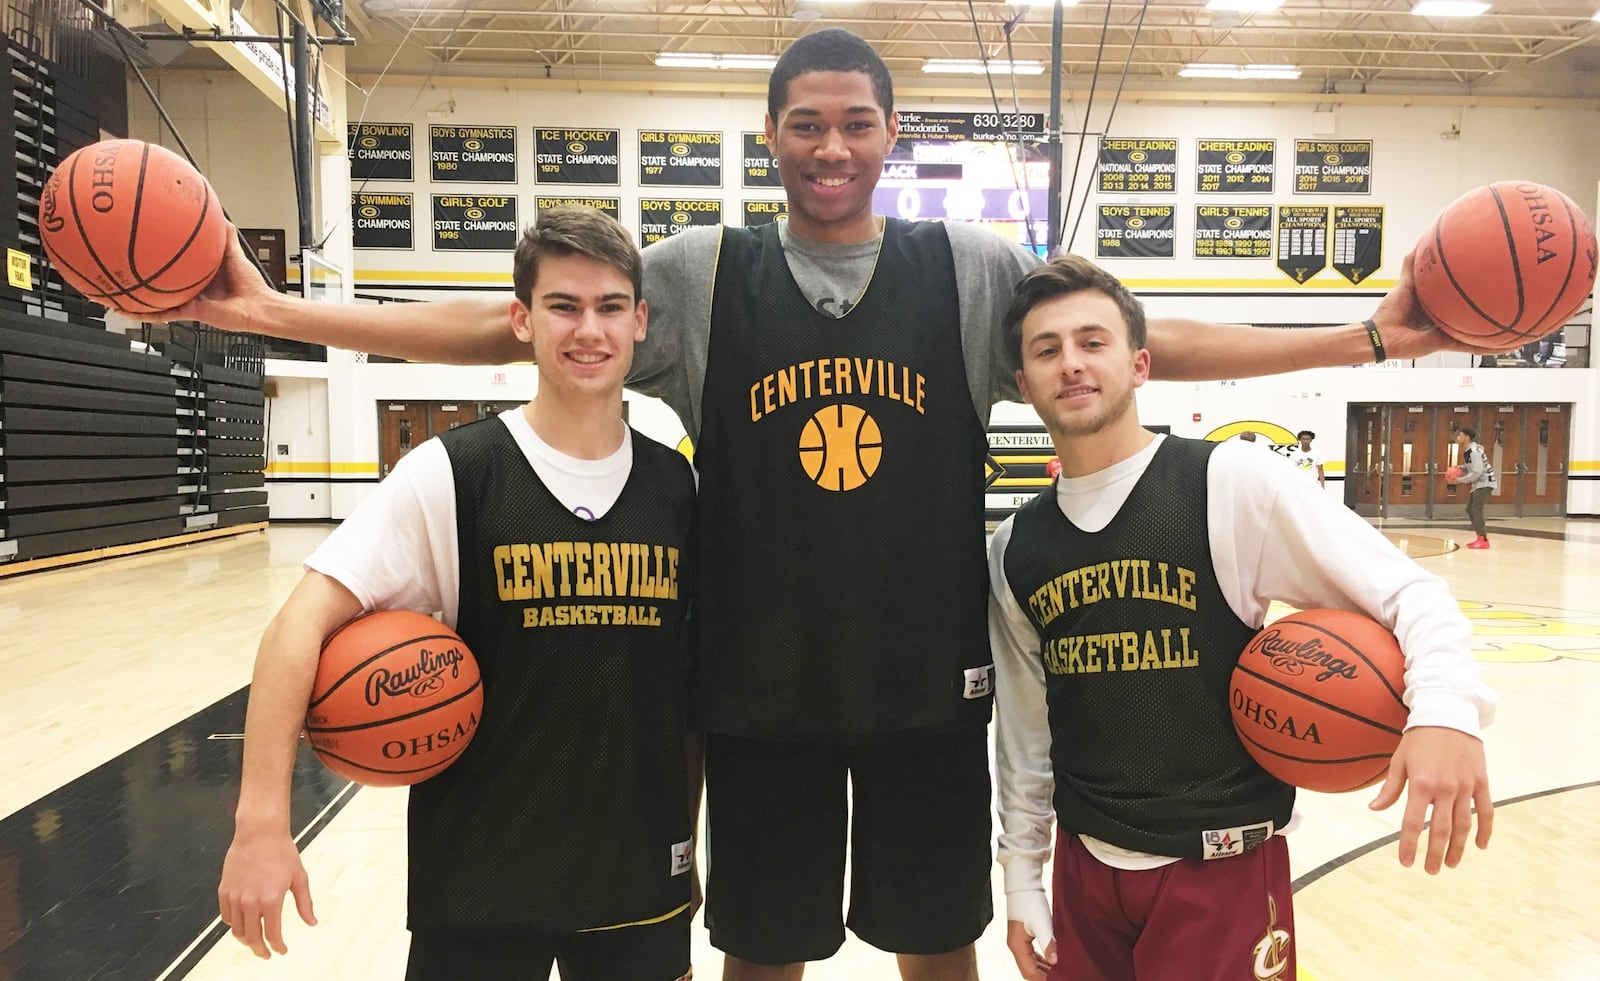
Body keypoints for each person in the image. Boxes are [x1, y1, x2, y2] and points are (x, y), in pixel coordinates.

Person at [176, 30, 1483, 981]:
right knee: (762, 948)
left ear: (890, 135)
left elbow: (1146, 335)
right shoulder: (697, 274)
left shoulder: (970, 272)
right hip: (756, 692)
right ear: (772, 137)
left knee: (937, 940)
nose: (833, 145)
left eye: (857, 121)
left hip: (929, 686)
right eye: (807, 122)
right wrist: (275, 312)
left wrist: (1360, 339)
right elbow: (497, 324)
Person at [215, 207, 699, 981]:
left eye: (610, 307)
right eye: (563, 306)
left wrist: (689, 839)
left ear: (640, 321)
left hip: (636, 865)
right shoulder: (453, 472)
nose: (589, 330)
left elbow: (685, 689)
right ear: (521, 319)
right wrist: (262, 824)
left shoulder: (678, 485)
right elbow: (297, 626)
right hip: (480, 869)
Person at [987, 254, 1496, 981]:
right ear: (1022, 384)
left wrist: (1445, 709)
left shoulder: (1229, 481)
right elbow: (1026, 736)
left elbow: (1410, 593)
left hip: (1220, 864)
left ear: (1140, 364)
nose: (1071, 362)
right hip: (1085, 867)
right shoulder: (1016, 547)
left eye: (1092, 341)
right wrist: (1022, 876)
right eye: (1047, 349)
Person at [1456, 427, 1499, 549]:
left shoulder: (1473, 451)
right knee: (1470, 509)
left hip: (1484, 483)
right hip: (1479, 483)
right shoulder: (1470, 450)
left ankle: (1483, 539)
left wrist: (1461, 480)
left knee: (1475, 509)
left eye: (1460, 435)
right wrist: (1461, 468)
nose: (1457, 438)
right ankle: (1479, 536)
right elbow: (1473, 466)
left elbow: (1477, 471)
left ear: (1467, 437)